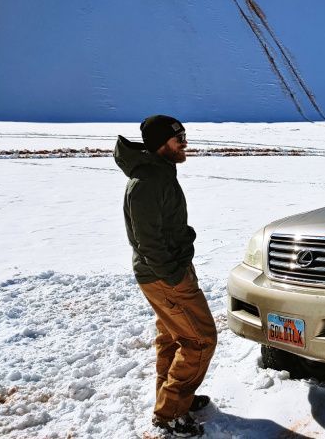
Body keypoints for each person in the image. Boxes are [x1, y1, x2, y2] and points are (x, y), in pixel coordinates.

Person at [114, 115, 217, 437]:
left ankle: (176, 400)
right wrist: (173, 275)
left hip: (169, 270)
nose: (185, 143)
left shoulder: (159, 174)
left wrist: (183, 242)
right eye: (179, 138)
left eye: (184, 136)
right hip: (165, 276)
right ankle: (170, 413)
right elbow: (148, 241)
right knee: (200, 341)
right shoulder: (147, 183)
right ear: (161, 144)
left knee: (174, 338)